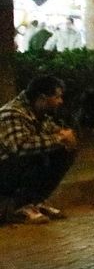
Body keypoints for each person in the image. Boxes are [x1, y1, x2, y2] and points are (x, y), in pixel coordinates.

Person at [0, 75, 77, 224]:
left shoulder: (38, 113)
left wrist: (66, 138)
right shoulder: (12, 113)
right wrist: (60, 138)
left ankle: (35, 202)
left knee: (63, 151)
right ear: (42, 98)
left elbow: (53, 132)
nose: (60, 101)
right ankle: (20, 206)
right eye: (57, 97)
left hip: (9, 168)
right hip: (5, 168)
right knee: (34, 155)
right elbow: (19, 147)